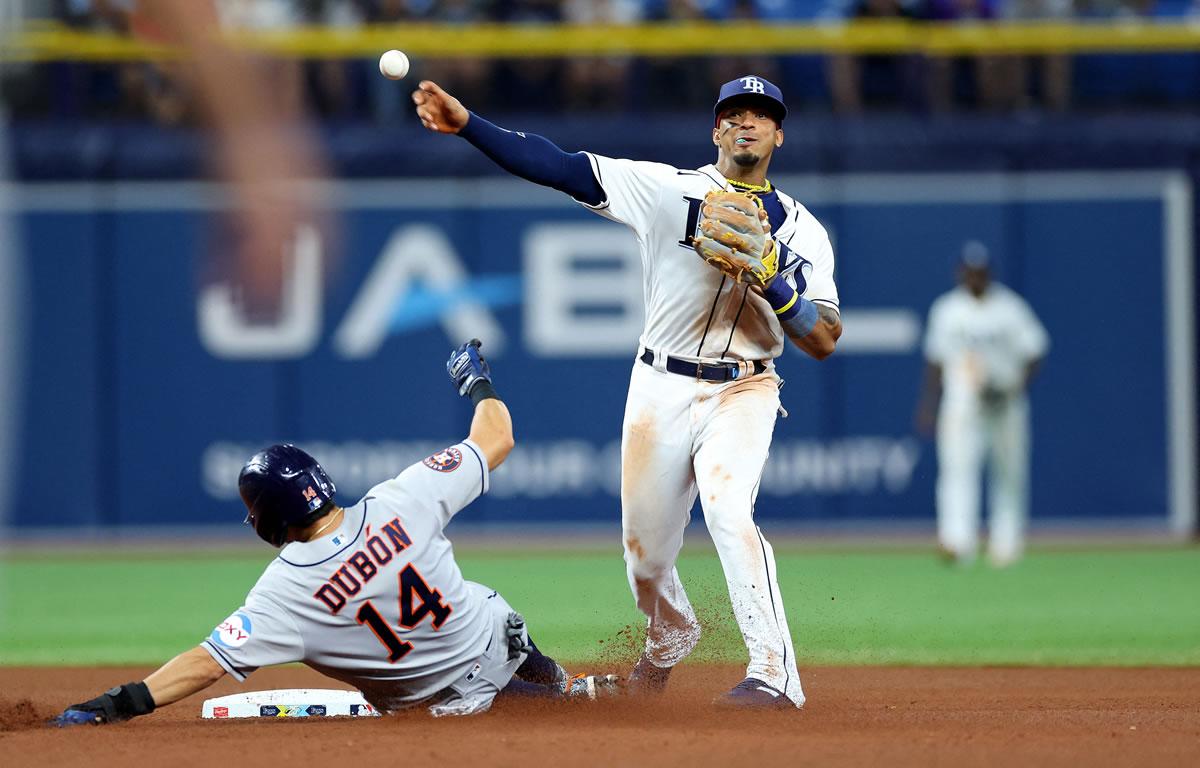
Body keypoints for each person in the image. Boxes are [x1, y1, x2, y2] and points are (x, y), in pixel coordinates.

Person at [412, 75, 842, 709]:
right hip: (660, 385)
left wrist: (774, 278)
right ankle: (671, 635)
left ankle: (774, 676)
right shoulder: (667, 192)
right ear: (716, 129)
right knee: (644, 562)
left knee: (728, 510)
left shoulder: (803, 232)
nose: (746, 123)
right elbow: (558, 165)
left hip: (744, 389)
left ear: (778, 133)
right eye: (734, 113)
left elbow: (825, 337)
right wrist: (469, 124)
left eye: (761, 115)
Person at [55, 340, 619, 725]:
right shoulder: (404, 497)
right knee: (503, 624)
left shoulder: (286, 592)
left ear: (268, 520)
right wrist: (476, 380)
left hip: (458, 701)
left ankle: (567, 701)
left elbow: (206, 662)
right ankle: (571, 688)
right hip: (499, 633)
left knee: (523, 706)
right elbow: (496, 438)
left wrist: (117, 703)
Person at [917, 242, 1050, 567]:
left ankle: (1006, 545)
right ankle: (956, 541)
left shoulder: (1009, 307)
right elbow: (935, 360)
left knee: (1009, 473)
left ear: (988, 273)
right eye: (970, 271)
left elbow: (1035, 351)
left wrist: (1017, 383)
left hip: (1005, 400)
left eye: (980, 272)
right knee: (956, 470)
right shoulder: (947, 309)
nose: (975, 277)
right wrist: (929, 403)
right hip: (963, 400)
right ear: (961, 273)